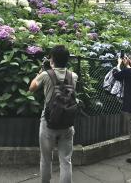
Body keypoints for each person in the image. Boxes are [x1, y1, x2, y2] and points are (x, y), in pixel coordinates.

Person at [29, 45, 78, 183]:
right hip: (67, 123)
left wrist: (41, 72)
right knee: (66, 161)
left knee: (46, 159)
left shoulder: (46, 75)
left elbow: (31, 88)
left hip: (48, 122)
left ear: (52, 59)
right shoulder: (73, 76)